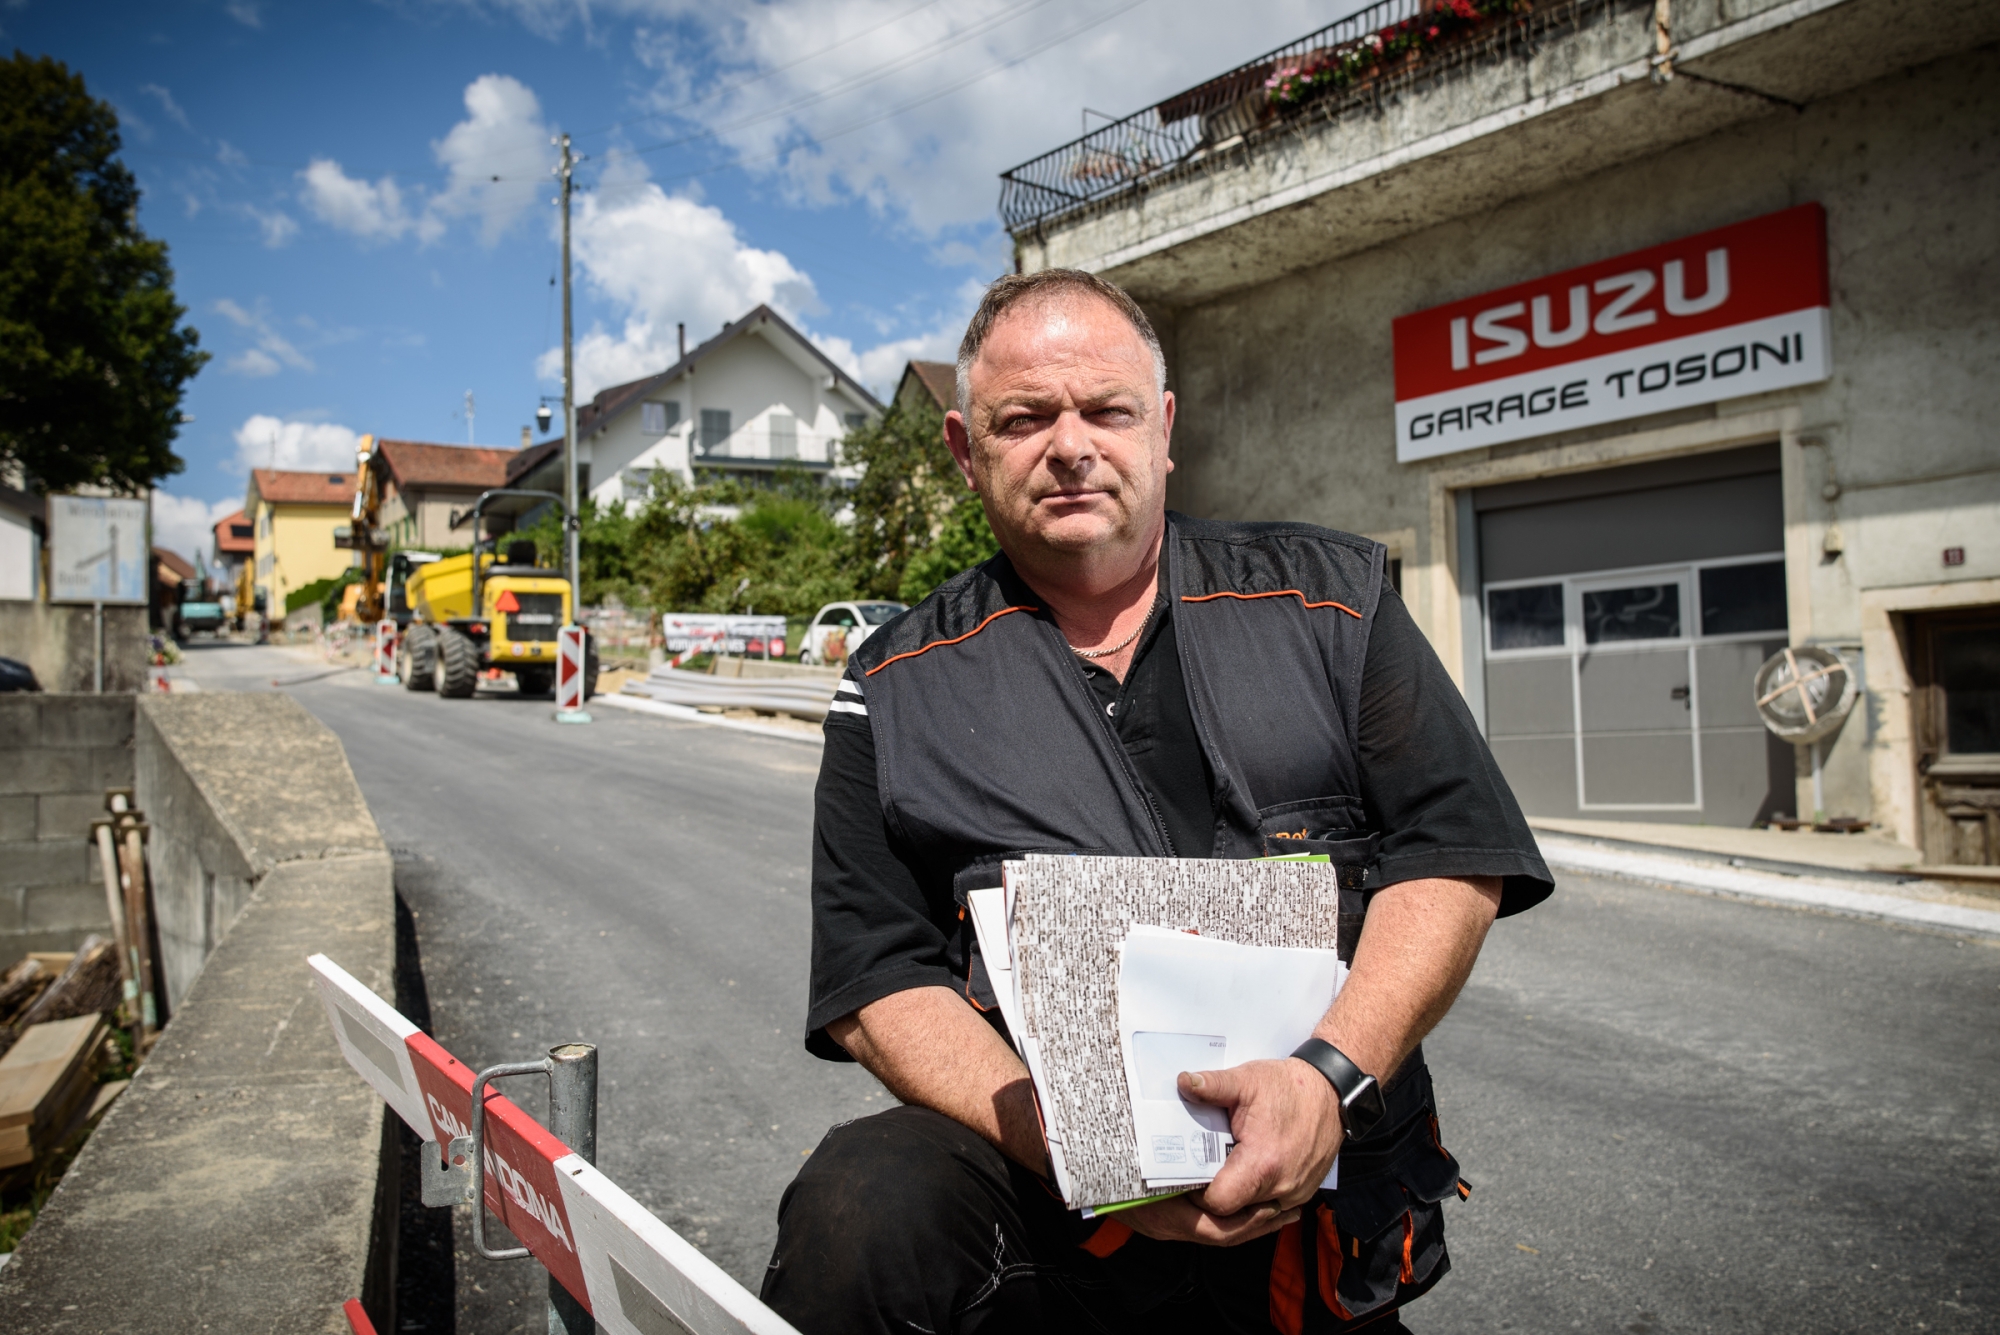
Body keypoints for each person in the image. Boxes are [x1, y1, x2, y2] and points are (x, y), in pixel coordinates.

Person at [762, 269, 1552, 1334]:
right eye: (1024, 418)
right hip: (1058, 1226)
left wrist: (1324, 1077)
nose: (1070, 444)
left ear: (1163, 426)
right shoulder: (894, 686)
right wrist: (1086, 1153)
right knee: (865, 1199)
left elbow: (1451, 850)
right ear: (964, 450)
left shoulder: (1331, 603)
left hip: (1318, 1212)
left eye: (1106, 409)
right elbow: (874, 975)